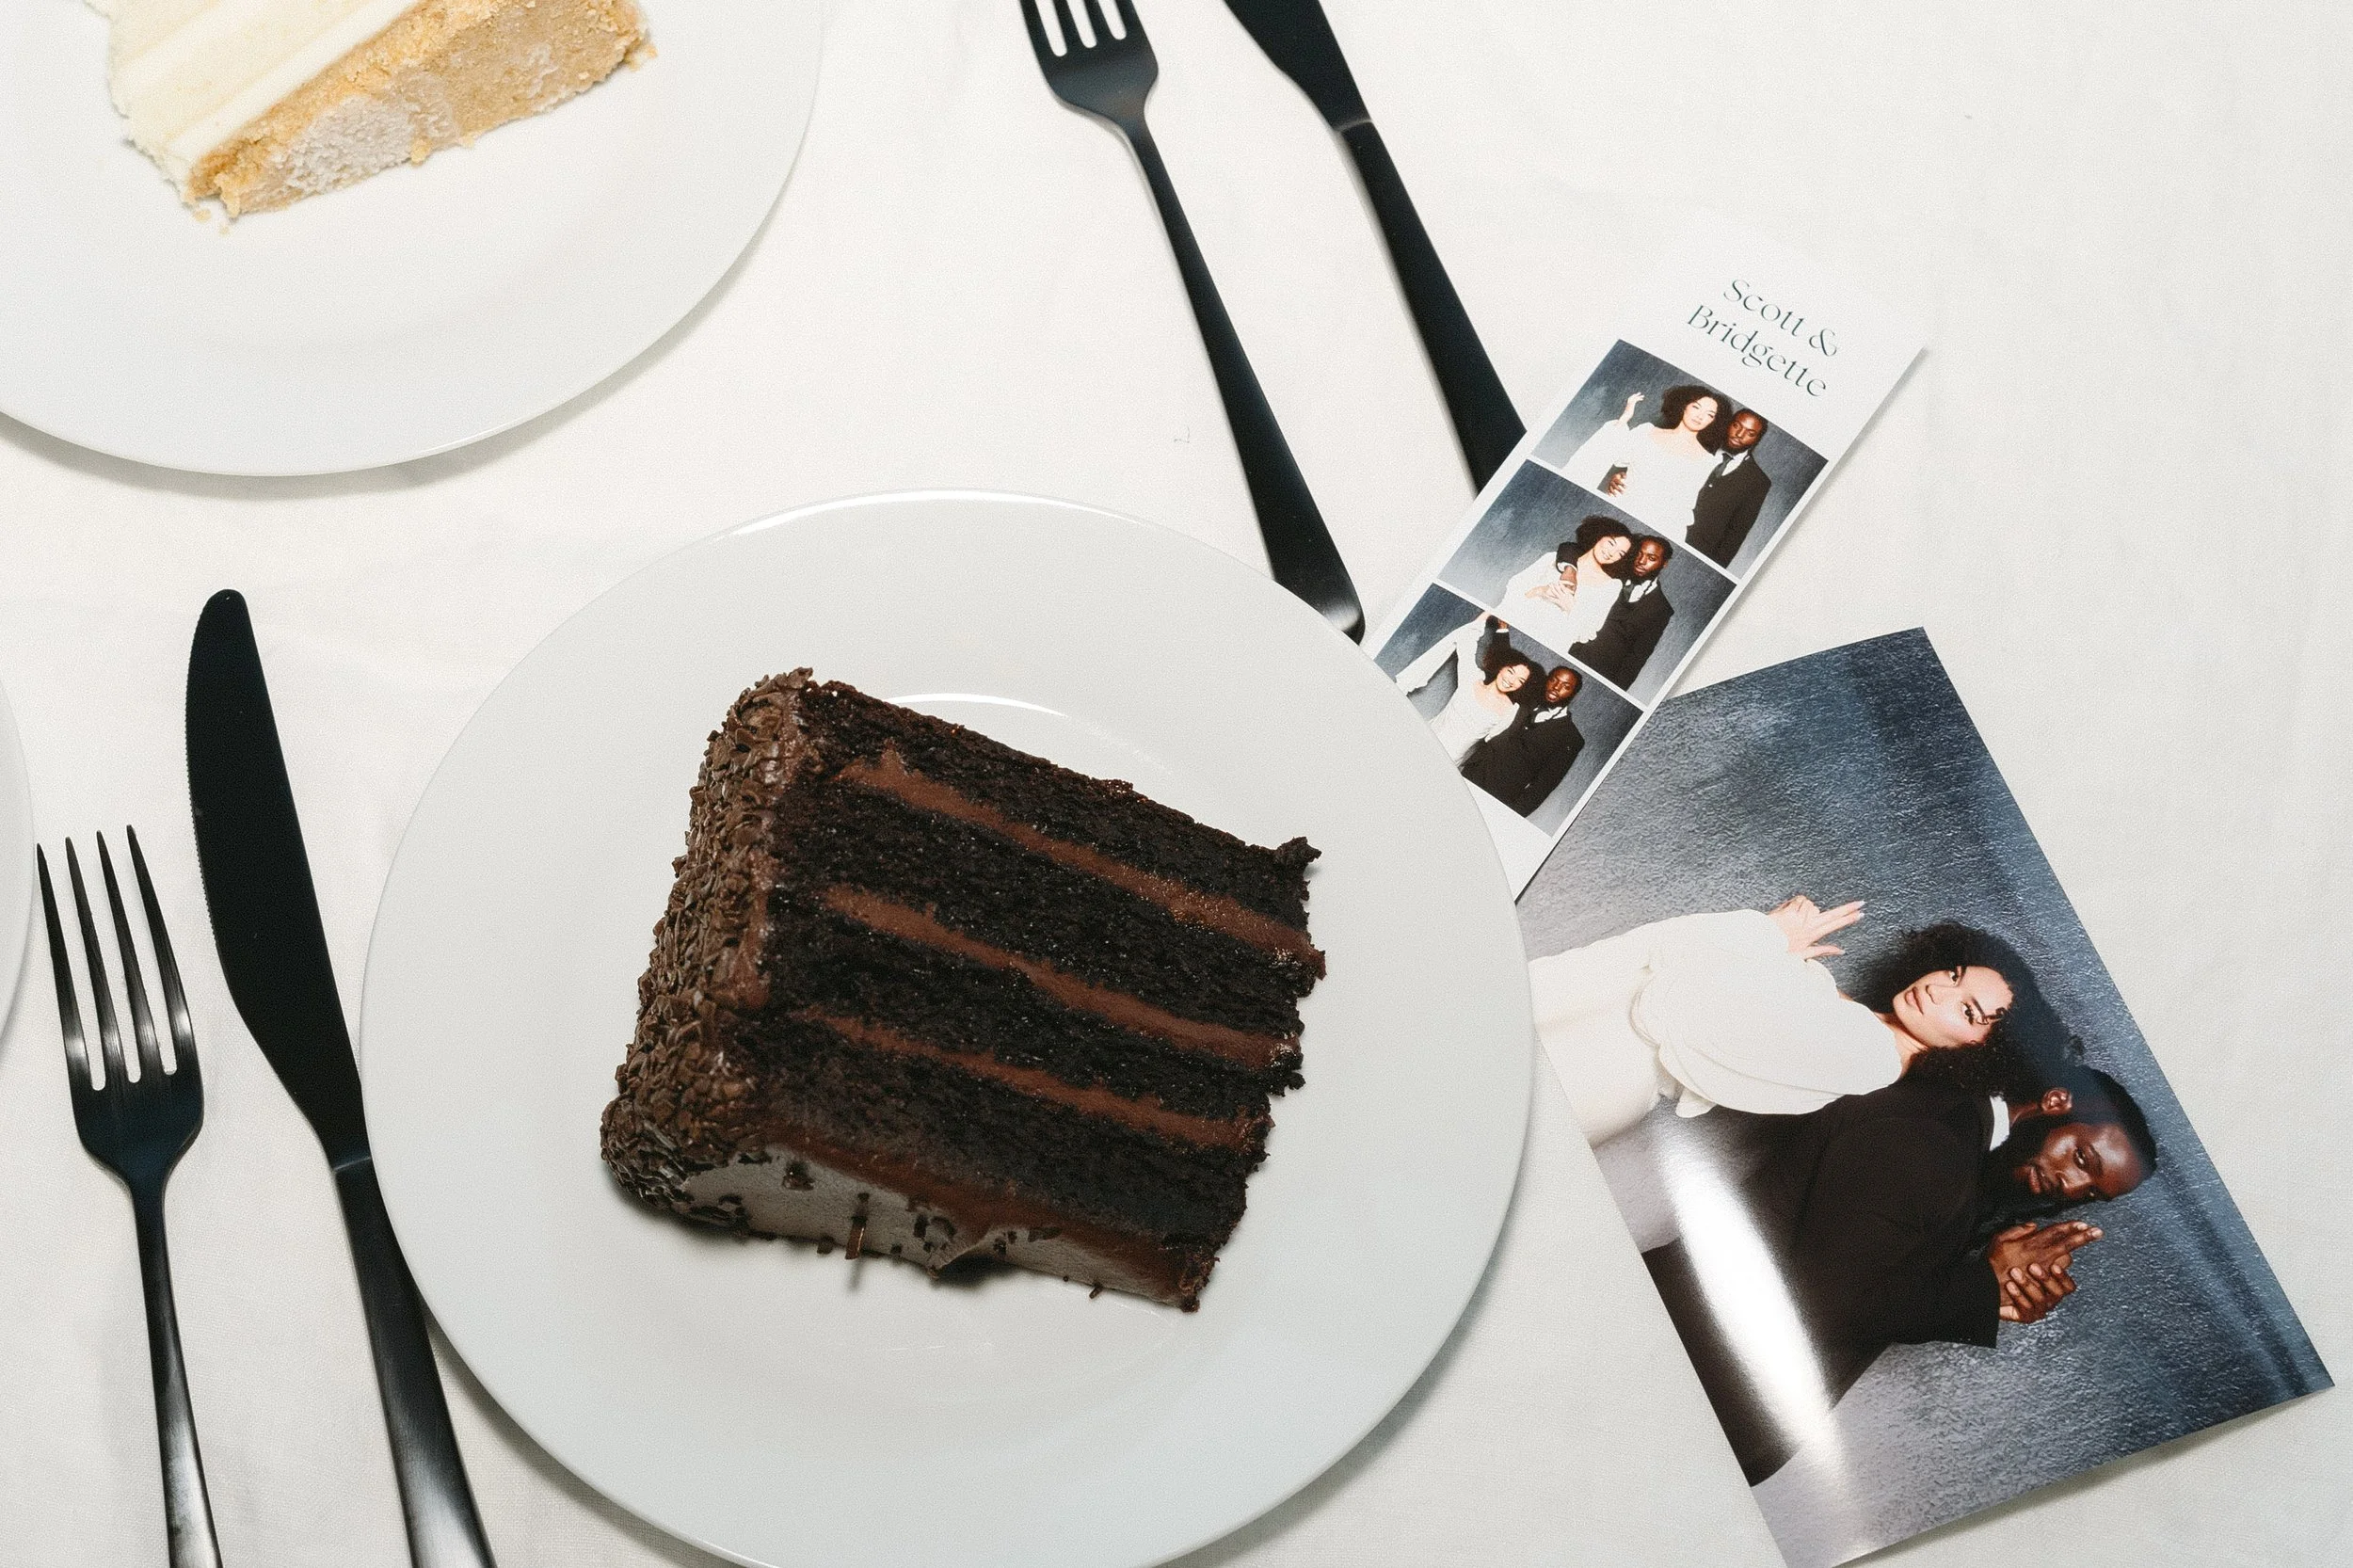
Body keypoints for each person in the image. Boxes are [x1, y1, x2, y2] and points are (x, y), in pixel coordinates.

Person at [1641, 1062, 2157, 1482]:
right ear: (2056, 1104)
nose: (2070, 1188)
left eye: (2091, 1193)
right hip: (1667, 1376)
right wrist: (1982, 1289)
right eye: (2083, 1159)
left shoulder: (1966, 1161)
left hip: (1694, 1409)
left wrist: (1995, 1279)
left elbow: (1870, 1278)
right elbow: (1821, 1302)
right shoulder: (1934, 1139)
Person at [1528, 899, 2065, 1145]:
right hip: (1598, 1038)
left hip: (1603, 1064)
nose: (1937, 989)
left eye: (1967, 1010)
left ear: (1976, 1050)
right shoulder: (1858, 1026)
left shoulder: (1864, 1057)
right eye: (1953, 973)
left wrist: (1766, 940)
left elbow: (1669, 1015)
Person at [1559, 384, 1725, 538]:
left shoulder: (1707, 462)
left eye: (1710, 414)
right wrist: (1625, 418)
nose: (1700, 416)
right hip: (1617, 509)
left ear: (1713, 421)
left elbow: (1684, 507)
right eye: (1696, 407)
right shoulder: (1646, 432)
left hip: (1659, 526)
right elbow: (1605, 454)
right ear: (1684, 406)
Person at [1394, 615, 1539, 765]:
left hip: (1446, 764)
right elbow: (1467, 639)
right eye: (1510, 671)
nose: (1511, 681)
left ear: (1523, 686)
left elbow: (1491, 743)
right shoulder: (1471, 678)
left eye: (1520, 680)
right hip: (1421, 740)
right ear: (1501, 667)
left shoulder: (1510, 711)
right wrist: (1489, 611)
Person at [1463, 664, 1585, 817]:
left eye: (1566, 686)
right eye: (1553, 680)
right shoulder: (1526, 699)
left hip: (1498, 798)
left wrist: (1512, 816)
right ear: (1546, 680)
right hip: (1470, 774)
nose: (1556, 687)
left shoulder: (1570, 738)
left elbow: (1543, 786)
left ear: (1573, 694)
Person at [1498, 518, 1631, 656]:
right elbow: (1512, 591)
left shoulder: (1611, 586)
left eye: (1620, 553)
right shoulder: (1552, 558)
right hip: (1517, 626)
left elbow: (1588, 633)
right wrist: (1541, 591)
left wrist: (1570, 606)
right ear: (1599, 536)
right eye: (1611, 543)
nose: (1611, 553)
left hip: (1550, 646)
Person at [1571, 535, 1675, 691]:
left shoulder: (1661, 609)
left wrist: (1615, 689)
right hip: (1568, 647)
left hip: (1600, 673)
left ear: (1664, 563)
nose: (1641, 561)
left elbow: (1637, 658)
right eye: (1639, 554)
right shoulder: (1613, 571)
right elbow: (1570, 549)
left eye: (1651, 558)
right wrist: (1568, 568)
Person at [1687, 408, 1775, 568]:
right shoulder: (1698, 445)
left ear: (1757, 439)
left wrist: (1712, 568)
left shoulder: (1758, 481)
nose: (1739, 435)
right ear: (1729, 424)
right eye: (1736, 426)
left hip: (1696, 553)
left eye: (1750, 433)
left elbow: (1736, 534)